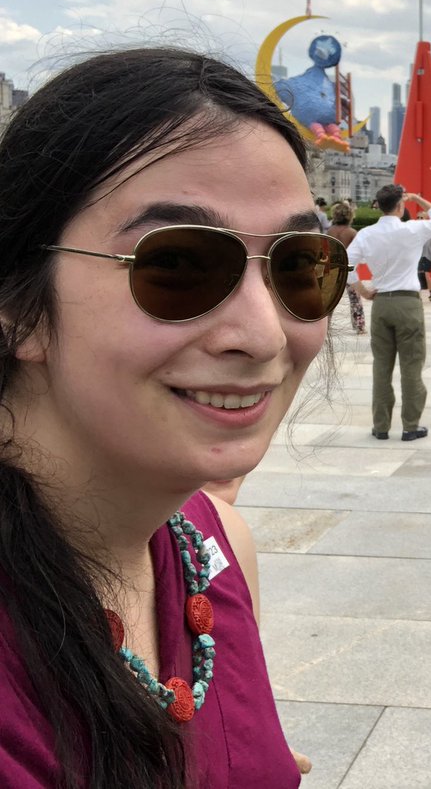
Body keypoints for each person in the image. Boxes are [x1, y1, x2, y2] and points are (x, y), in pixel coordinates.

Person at [0, 47, 348, 787]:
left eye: (298, 263)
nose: (264, 335)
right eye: (179, 263)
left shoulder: (215, 546)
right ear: (15, 304)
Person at [346, 185, 431, 441]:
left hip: (381, 303)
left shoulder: (366, 234)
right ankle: (410, 426)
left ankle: (380, 426)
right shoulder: (412, 229)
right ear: (400, 206)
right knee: (411, 366)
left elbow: (345, 263)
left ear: (379, 206)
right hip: (408, 303)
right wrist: (418, 198)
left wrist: (362, 289)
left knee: (381, 367)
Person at [328, 201, 366, 334]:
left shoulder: (330, 231)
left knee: (330, 300)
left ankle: (326, 326)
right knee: (355, 299)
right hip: (349, 268)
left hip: (333, 268)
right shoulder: (352, 232)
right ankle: (359, 326)